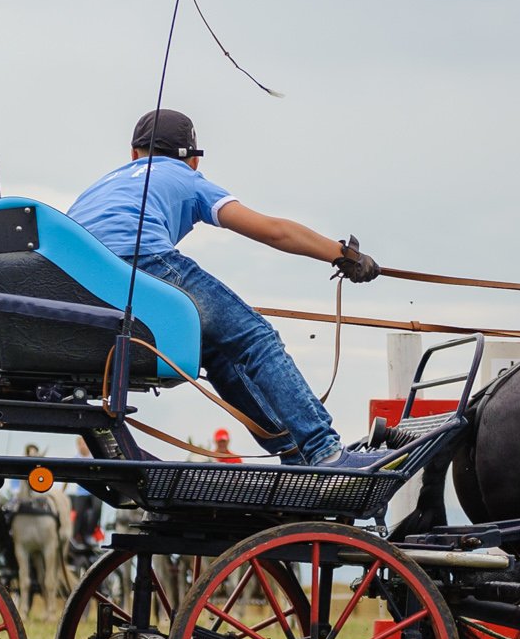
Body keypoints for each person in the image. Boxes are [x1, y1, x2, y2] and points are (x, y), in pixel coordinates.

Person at [68, 109, 382, 466]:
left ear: (133, 154)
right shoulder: (188, 180)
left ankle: (292, 451)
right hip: (147, 261)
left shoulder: (103, 185)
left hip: (82, 280)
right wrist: (345, 256)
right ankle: (325, 451)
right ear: (195, 161)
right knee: (256, 339)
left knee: (216, 349)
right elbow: (273, 230)